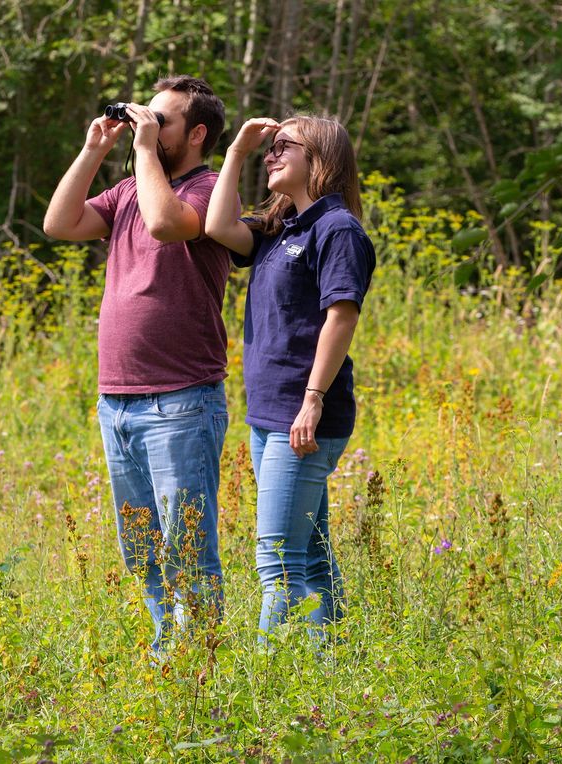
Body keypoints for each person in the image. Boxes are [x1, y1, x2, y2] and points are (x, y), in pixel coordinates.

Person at [43, 76, 233, 651]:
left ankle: (198, 667)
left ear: (196, 133)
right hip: (118, 400)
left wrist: (145, 149)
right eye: (144, 116)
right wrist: (95, 149)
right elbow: (59, 225)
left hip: (181, 399)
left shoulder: (210, 187)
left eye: (163, 119)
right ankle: (167, 654)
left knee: (186, 546)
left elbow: (165, 225)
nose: (147, 125)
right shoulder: (128, 189)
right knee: (142, 545)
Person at [204, 114, 375, 639]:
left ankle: (268, 684)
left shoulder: (337, 228)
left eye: (284, 147)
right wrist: (233, 153)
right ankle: (331, 670)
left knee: (277, 562)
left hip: (302, 418)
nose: (271, 155)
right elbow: (216, 227)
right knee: (313, 557)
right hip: (271, 414)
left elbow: (341, 315)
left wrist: (313, 399)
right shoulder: (285, 227)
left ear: (319, 158)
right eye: (269, 149)